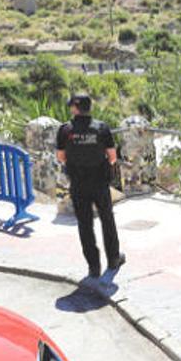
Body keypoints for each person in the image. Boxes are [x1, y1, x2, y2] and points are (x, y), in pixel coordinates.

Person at [56, 94, 124, 279]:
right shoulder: (101, 128)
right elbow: (112, 157)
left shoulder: (65, 129)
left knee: (85, 225)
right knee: (107, 220)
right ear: (89, 108)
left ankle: (93, 267)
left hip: (78, 184)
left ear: (74, 109)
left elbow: (61, 157)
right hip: (100, 182)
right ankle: (113, 259)